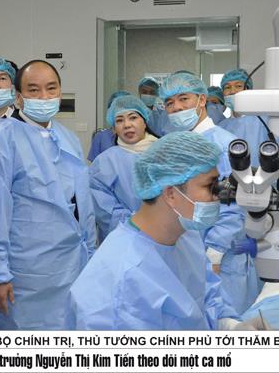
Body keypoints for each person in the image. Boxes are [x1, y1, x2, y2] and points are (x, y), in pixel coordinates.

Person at [67, 132, 267, 330]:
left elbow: (208, 299)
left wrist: (230, 326)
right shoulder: (123, 282)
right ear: (171, 194)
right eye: (211, 186)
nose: (219, 195)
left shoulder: (186, 237)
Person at [0, 59, 96, 329]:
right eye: (34, 90)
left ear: (60, 92)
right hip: (27, 271)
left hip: (72, 262)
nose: (44, 97)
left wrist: (92, 253)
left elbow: (83, 205)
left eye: (51, 88)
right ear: (18, 97)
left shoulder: (68, 138)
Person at [160, 72, 260, 314]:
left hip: (221, 258)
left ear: (202, 100)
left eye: (184, 99)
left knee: (225, 321)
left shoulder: (225, 145)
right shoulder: (173, 145)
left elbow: (235, 204)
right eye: (169, 103)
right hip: (184, 250)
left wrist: (215, 252)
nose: (176, 107)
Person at [90, 94, 157, 241]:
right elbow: (104, 209)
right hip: (123, 237)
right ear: (114, 129)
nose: (127, 125)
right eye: (119, 120)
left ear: (145, 122)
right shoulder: (105, 162)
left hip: (165, 235)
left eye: (133, 118)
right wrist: (137, 224)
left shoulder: (165, 153)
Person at [218, 68, 279, 193]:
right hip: (228, 195)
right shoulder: (221, 127)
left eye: (238, 86)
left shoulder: (266, 122)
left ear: (248, 90)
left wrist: (274, 192)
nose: (232, 91)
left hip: (263, 193)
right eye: (227, 87)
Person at [87, 90, 131, 162]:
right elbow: (94, 165)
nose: (120, 112)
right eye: (116, 108)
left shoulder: (135, 136)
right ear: (110, 111)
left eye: (124, 108)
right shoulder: (100, 137)